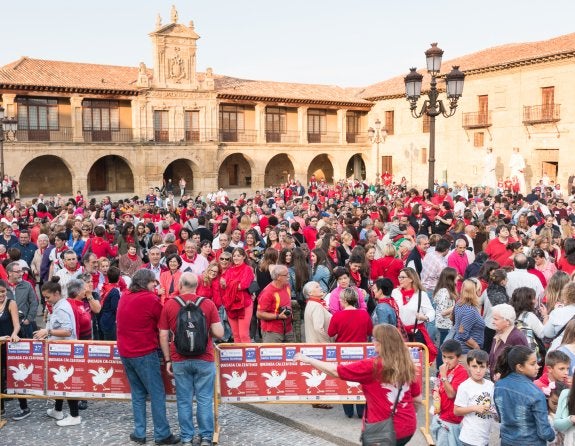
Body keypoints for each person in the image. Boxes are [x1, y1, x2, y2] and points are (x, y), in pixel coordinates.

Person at [295, 324, 422, 446]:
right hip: (408, 426)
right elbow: (417, 400)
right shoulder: (407, 364)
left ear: (380, 343)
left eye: (374, 338)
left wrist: (309, 360)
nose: (372, 342)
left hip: (382, 430)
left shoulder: (372, 366)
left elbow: (335, 371)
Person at [159, 272, 223, 446]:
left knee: (184, 400)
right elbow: (220, 333)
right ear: (198, 286)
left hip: (179, 358)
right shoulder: (208, 304)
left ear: (180, 285)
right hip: (205, 357)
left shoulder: (170, 305)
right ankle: (206, 438)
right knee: (204, 399)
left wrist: (168, 360)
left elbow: (163, 335)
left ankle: (187, 438)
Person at [116, 269, 179, 445]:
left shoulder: (125, 296)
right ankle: (162, 434)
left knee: (137, 393)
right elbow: (164, 322)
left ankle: (139, 432)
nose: (156, 285)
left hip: (125, 351)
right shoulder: (150, 299)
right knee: (157, 393)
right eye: (154, 282)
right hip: (143, 351)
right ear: (146, 282)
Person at [33, 277, 80, 426]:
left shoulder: (61, 307)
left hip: (65, 349)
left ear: (56, 293)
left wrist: (47, 331)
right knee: (59, 380)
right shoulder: (59, 305)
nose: (46, 300)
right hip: (60, 349)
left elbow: (67, 331)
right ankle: (58, 410)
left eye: (47, 297)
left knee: (66, 381)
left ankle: (74, 415)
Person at [494, 345, 555, 445]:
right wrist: (553, 435)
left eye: (537, 362)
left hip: (506, 440)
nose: (538, 366)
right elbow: (544, 431)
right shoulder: (535, 393)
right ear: (520, 367)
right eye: (533, 364)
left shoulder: (499, 385)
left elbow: (501, 417)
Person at [0, 279, 31, 420]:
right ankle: (1, 409)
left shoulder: (10, 303)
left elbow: (16, 324)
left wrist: (14, 334)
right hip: (0, 343)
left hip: (11, 344)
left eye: (3, 292)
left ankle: (24, 407)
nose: (1, 295)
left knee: (16, 375)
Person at [453, 349, 495, 446]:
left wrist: (495, 413)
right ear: (468, 366)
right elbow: (456, 410)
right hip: (470, 438)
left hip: (484, 437)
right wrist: (475, 408)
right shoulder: (465, 386)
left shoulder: (490, 385)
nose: (478, 370)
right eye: (474, 366)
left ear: (487, 367)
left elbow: (492, 406)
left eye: (482, 367)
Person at [430, 339, 468, 446]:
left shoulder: (461, 372)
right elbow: (438, 386)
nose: (446, 361)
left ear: (459, 357)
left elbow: (451, 394)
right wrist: (436, 391)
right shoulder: (444, 370)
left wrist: (443, 376)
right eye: (444, 357)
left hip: (452, 420)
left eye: (450, 358)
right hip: (441, 415)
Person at [220, 247, 255, 344]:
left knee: (243, 334)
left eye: (238, 256)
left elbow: (243, 285)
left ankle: (247, 358)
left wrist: (229, 284)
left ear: (243, 257)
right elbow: (226, 286)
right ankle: (239, 358)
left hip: (244, 304)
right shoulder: (229, 270)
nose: (236, 258)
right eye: (234, 256)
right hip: (231, 304)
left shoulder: (247, 269)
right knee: (235, 334)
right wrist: (230, 284)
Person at [489, 303, 529, 378]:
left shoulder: (517, 337)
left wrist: (504, 376)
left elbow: (523, 366)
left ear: (507, 321)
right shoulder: (498, 334)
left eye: (496, 319)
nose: (492, 322)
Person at [256, 264, 294, 343]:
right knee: (272, 354)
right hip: (272, 332)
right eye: (286, 275)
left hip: (288, 329)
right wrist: (278, 316)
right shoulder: (267, 293)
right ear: (278, 277)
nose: (289, 277)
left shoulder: (287, 285)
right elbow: (259, 314)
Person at [453, 279, 485, 361]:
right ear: (475, 291)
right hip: (467, 353)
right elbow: (463, 333)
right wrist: (476, 347)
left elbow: (453, 319)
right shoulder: (470, 311)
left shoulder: (460, 304)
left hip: (462, 349)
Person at [5, 261, 38, 339]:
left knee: (28, 348)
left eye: (22, 271)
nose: (21, 274)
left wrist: (28, 319)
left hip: (25, 324)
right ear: (10, 273)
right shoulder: (3, 286)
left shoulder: (27, 285)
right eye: (18, 272)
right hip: (8, 324)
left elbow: (34, 302)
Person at [433, 267, 458, 367]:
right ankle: (440, 370)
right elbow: (443, 312)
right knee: (443, 349)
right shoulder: (444, 292)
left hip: (445, 324)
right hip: (444, 325)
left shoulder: (446, 291)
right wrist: (456, 306)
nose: (458, 278)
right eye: (456, 276)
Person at [98, 266, 121, 341]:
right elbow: (115, 308)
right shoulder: (114, 291)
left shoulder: (105, 286)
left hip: (103, 317)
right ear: (118, 278)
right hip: (110, 321)